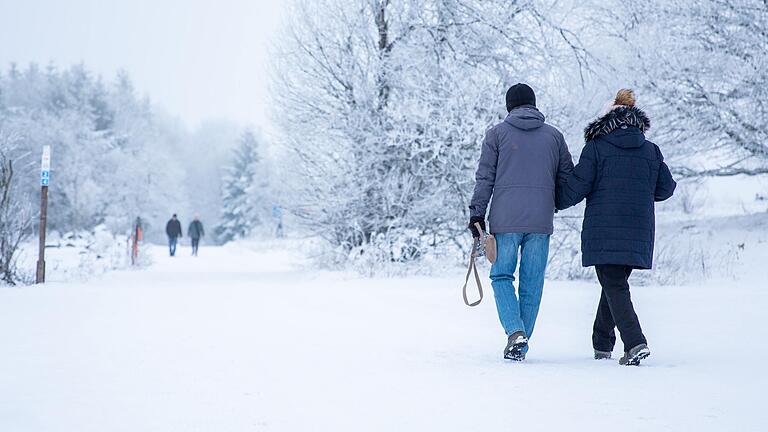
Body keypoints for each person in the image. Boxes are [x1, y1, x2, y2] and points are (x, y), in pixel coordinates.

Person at [557, 89, 676, 366]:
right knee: (613, 284)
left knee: (614, 284)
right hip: (638, 231)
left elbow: (576, 188)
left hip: (604, 229)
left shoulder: (597, 148)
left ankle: (635, 342)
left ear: (608, 116)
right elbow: (666, 189)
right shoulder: (650, 150)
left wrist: (552, 202)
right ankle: (602, 343)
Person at [469, 83, 574, 361]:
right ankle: (521, 342)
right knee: (532, 281)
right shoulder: (554, 137)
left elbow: (485, 179)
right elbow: (568, 179)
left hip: (505, 221)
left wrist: (476, 215)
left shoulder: (496, 134)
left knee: (501, 276)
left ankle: (515, 332)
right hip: (540, 221)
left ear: (509, 107)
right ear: (534, 104)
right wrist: (554, 203)